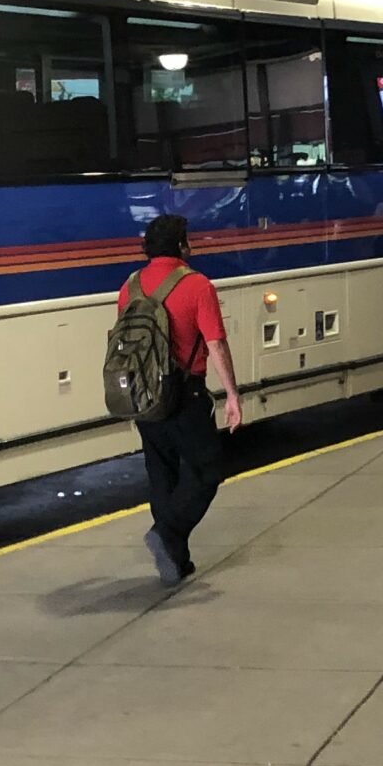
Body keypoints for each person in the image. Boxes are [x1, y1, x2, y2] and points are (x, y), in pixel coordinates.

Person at [119, 215, 244, 583]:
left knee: (162, 476)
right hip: (185, 393)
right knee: (206, 470)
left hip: (144, 397)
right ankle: (167, 534)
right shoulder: (196, 285)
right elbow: (216, 343)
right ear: (181, 246)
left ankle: (176, 561)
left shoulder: (130, 287)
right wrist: (232, 395)